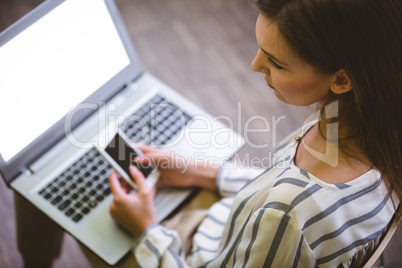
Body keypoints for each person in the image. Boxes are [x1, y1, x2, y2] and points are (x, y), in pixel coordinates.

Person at [15, 0, 401, 267]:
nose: (253, 66)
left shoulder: (289, 215)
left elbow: (285, 211)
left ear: (342, 79)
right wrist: (203, 172)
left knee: (39, 171)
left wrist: (146, 229)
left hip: (192, 253)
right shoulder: (367, 133)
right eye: (259, 50)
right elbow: (279, 191)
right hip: (231, 229)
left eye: (276, 63)